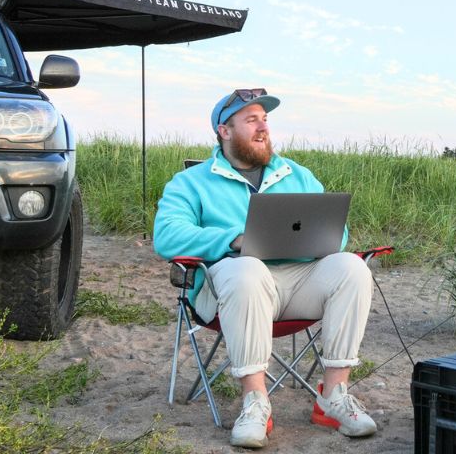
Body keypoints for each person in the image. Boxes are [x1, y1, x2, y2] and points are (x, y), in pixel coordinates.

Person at [153, 87, 376, 449]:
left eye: (265, 120)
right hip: (229, 287)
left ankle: (333, 397)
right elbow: (166, 235)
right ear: (224, 131)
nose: (262, 128)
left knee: (352, 268)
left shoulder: (296, 175)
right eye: (251, 120)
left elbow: (339, 232)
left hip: (297, 283)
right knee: (248, 270)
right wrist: (233, 240)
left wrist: (322, 237)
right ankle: (256, 403)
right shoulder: (192, 182)